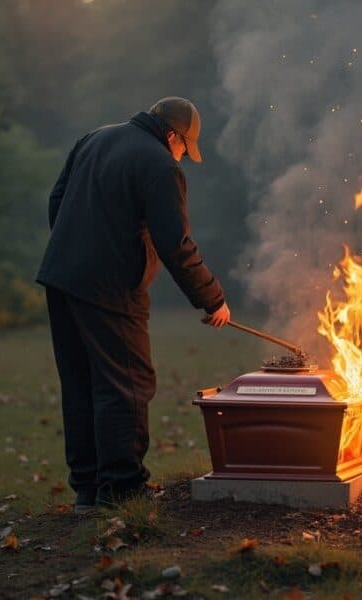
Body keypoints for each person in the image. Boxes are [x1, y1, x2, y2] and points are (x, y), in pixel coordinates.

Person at [36, 97, 230, 511]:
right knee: (126, 384)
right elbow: (175, 245)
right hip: (110, 289)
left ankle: (88, 489)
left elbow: (57, 201)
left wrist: (78, 248)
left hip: (60, 278)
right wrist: (212, 299)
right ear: (173, 135)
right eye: (184, 148)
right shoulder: (160, 165)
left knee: (81, 384)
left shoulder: (95, 138)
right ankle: (122, 488)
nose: (182, 156)